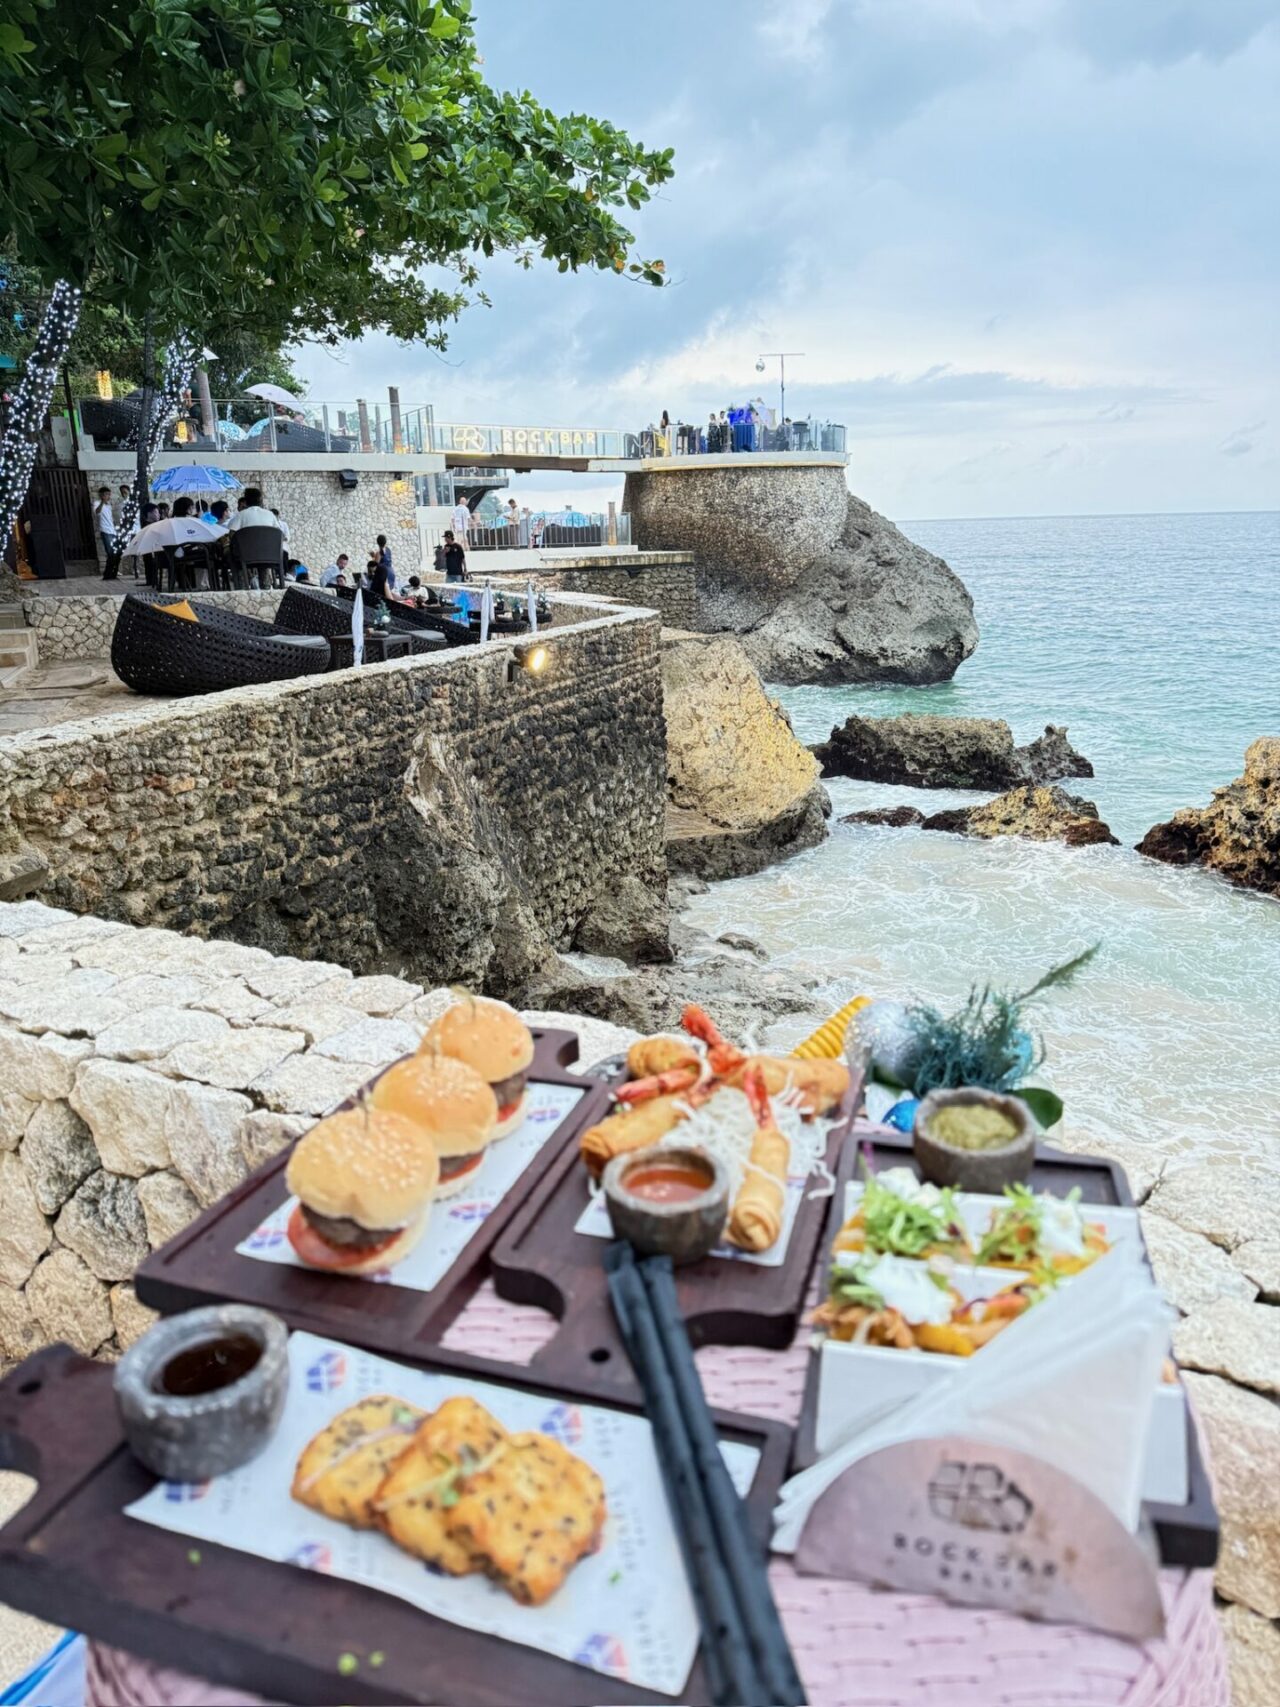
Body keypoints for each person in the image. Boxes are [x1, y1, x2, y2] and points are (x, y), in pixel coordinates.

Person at [93, 486, 120, 581]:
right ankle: (107, 574)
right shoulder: (97, 503)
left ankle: (112, 573)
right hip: (105, 531)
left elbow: (110, 518)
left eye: (109, 494)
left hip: (113, 531)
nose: (108, 496)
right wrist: (102, 502)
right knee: (110, 553)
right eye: (107, 494)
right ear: (101, 495)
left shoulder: (109, 506)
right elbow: (97, 512)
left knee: (116, 553)